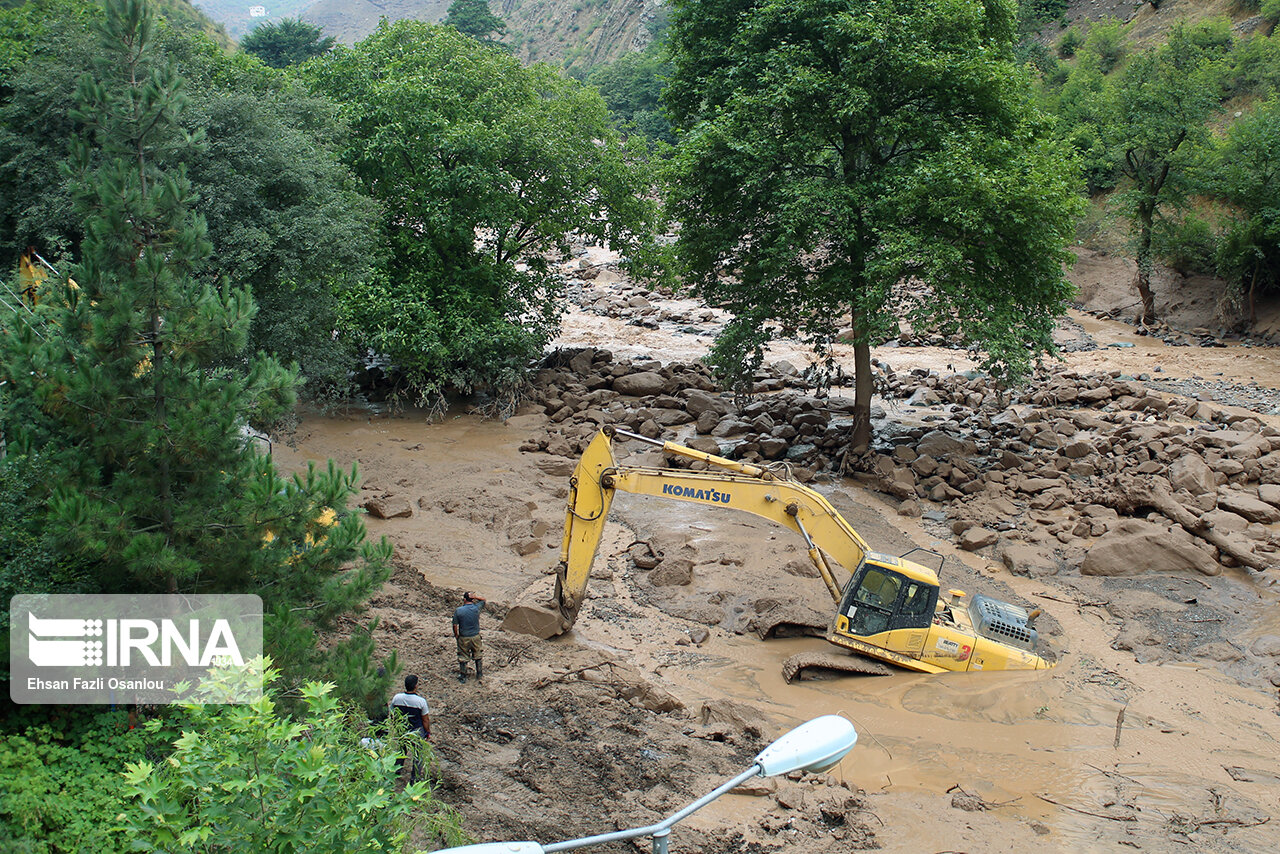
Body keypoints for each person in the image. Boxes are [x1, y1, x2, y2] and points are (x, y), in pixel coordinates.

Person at [388, 674, 430, 782]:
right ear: (415, 686)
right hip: (416, 731)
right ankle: (414, 779)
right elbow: (425, 719)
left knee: (401, 751)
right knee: (418, 755)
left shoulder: (397, 698)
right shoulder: (421, 701)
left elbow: (392, 713)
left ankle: (396, 772)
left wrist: (396, 725)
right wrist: (427, 732)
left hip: (403, 729)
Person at [452, 592, 486, 684]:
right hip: (475, 636)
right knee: (478, 655)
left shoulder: (459, 610)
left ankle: (463, 676)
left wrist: (456, 635)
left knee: (463, 656)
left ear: (464, 599)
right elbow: (483, 600)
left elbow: (455, 625)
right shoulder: (476, 608)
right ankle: (479, 674)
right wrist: (475, 596)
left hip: (464, 637)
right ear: (472, 599)